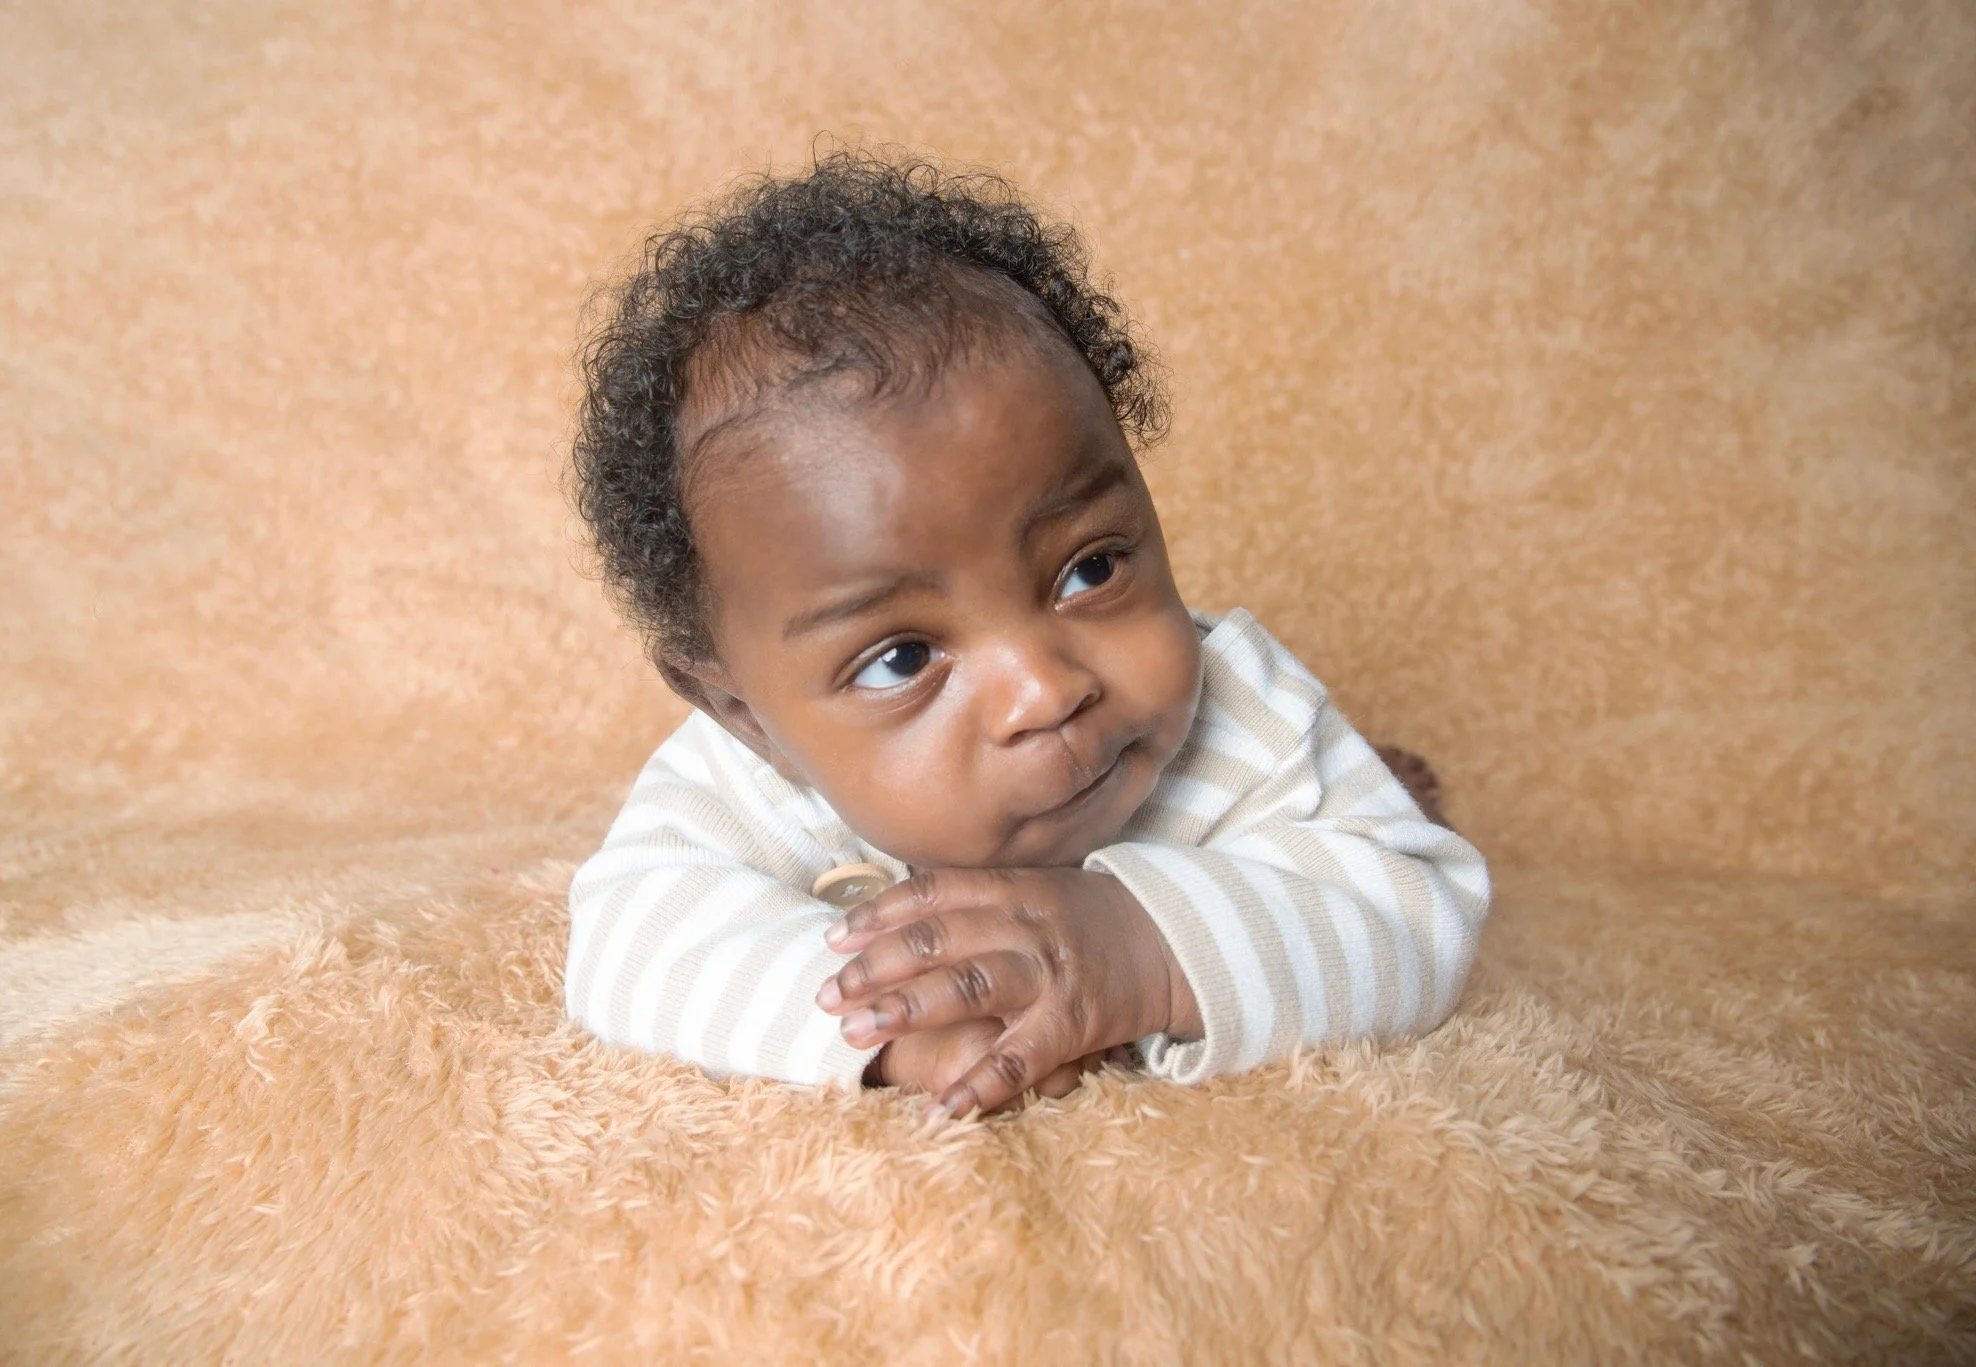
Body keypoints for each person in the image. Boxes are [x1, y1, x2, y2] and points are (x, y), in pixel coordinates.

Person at [565, 150, 1491, 1119]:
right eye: (902, 659)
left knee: (1363, 827)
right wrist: (899, 1022)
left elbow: (1417, 910)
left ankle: (1364, 789)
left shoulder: (1245, 718)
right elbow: (628, 936)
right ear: (744, 714)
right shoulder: (745, 777)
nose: (1043, 688)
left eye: (1087, 567)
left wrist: (1144, 946)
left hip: (1260, 843)